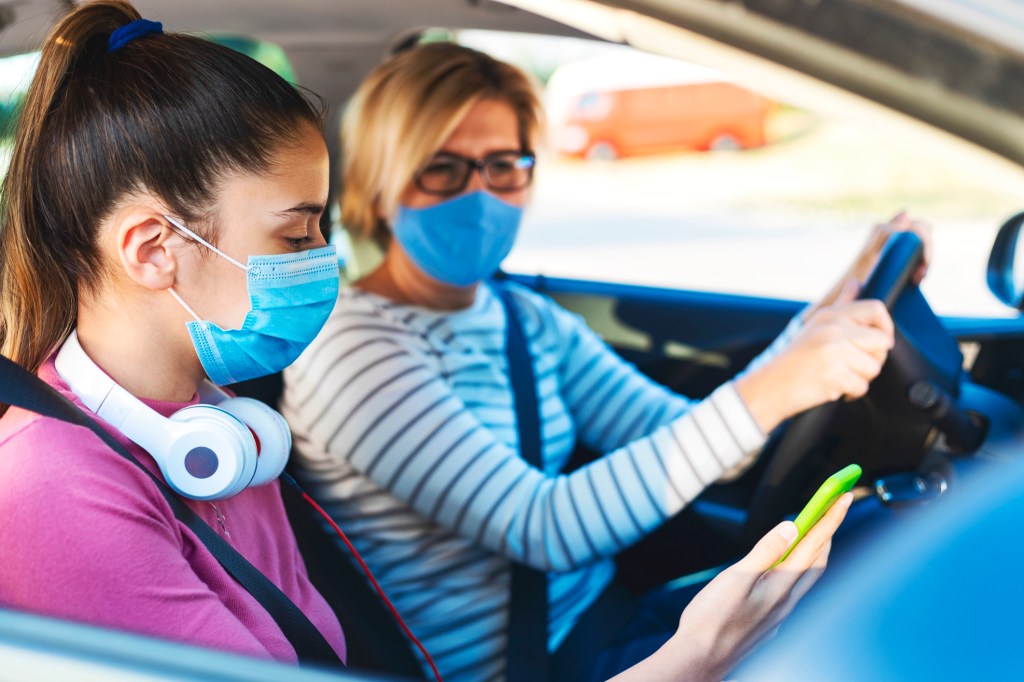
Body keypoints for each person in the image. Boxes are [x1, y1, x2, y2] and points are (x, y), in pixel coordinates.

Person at [282, 42, 927, 681]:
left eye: (504, 165)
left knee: (872, 568)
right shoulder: (351, 348)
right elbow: (543, 528)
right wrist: (772, 391)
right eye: (441, 168)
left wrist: (840, 300)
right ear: (378, 185)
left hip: (606, 620)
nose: (479, 193)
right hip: (525, 668)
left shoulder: (520, 316)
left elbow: (694, 434)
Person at [0, 0, 346, 664]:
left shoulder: (221, 431)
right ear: (154, 249)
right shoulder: (54, 488)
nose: (322, 259)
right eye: (295, 234)